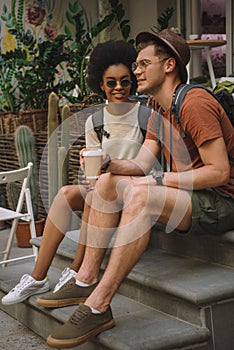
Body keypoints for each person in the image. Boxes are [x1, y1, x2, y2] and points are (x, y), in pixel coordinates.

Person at [45, 29, 234, 349]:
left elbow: (218, 172)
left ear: (169, 65)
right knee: (107, 183)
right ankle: (85, 278)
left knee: (142, 193)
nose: (136, 71)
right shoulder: (159, 108)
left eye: (144, 64)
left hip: (220, 201)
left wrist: (156, 181)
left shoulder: (195, 103)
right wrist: (109, 162)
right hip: (191, 197)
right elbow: (142, 163)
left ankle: (98, 305)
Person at [1, 40, 150, 305]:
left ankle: (76, 272)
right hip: (103, 189)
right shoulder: (95, 119)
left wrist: (107, 170)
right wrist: (87, 168)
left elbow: (146, 163)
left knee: (97, 191)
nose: (118, 88)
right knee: (67, 193)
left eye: (125, 82)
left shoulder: (144, 115)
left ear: (132, 83)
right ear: (101, 85)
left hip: (132, 192)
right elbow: (93, 164)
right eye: (111, 82)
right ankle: (37, 277)